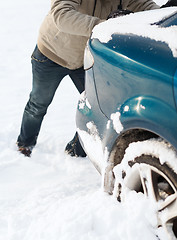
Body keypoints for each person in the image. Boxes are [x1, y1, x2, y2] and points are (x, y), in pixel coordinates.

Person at [17, 0, 175, 157]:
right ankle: (25, 143)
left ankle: (75, 152)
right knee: (38, 104)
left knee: (95, 107)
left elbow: (143, 5)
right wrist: (104, 25)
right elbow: (61, 14)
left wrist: (163, 14)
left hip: (83, 58)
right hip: (51, 54)